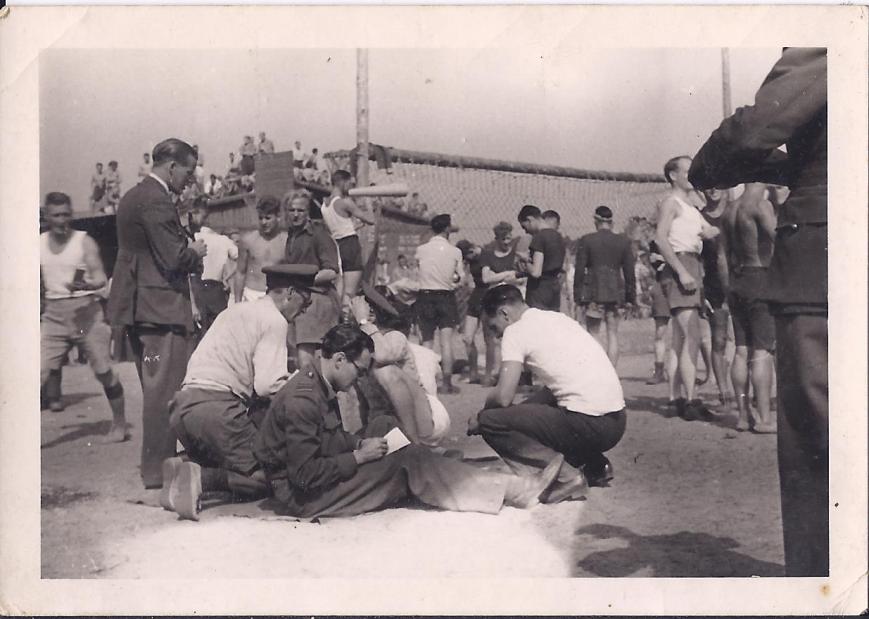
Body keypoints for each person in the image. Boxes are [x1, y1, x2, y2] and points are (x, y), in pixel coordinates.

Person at [689, 48, 828, 577]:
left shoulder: (731, 209)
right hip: (780, 268)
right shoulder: (760, 210)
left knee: (817, 441)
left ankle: (824, 583)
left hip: (787, 273)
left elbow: (752, 134)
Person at [252, 323, 566, 519]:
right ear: (339, 360)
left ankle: (432, 466)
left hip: (313, 476)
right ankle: (510, 490)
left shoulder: (318, 381)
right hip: (304, 498)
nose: (359, 379)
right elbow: (304, 476)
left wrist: (359, 442)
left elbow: (326, 439)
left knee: (384, 425)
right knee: (408, 460)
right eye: (359, 371)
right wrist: (358, 456)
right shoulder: (303, 399)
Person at [160, 265, 317, 520]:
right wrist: (303, 386)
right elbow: (268, 385)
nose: (305, 310)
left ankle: (183, 467)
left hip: (183, 407)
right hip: (217, 409)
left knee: (233, 457)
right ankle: (204, 478)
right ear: (290, 292)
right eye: (305, 300)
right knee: (270, 478)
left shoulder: (235, 311)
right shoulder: (275, 320)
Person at [107, 138, 207, 488]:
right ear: (172, 166)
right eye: (189, 171)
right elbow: (174, 258)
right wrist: (196, 249)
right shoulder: (157, 200)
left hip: (139, 307)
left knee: (155, 389)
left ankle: (156, 467)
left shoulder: (133, 195)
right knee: (164, 392)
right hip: (160, 309)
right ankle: (158, 471)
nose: (190, 180)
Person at [470, 285, 626, 502]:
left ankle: (567, 478)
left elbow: (504, 396)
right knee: (543, 410)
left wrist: (482, 414)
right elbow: (553, 391)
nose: (496, 337)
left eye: (494, 328)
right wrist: (518, 413)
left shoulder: (515, 331)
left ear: (504, 313)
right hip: (615, 422)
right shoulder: (557, 318)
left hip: (588, 423)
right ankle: (595, 465)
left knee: (491, 421)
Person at [40, 192, 128, 441]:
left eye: (67, 214)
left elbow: (100, 276)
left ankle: (120, 426)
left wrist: (85, 285)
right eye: (56, 215)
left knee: (103, 371)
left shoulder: (84, 241)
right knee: (39, 372)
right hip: (54, 315)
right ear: (47, 216)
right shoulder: (37, 243)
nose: (62, 220)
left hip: (86, 313)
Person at [655, 155, 719, 421]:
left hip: (693, 264)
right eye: (687, 171)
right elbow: (659, 238)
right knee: (692, 336)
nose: (692, 175)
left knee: (680, 339)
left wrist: (709, 232)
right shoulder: (671, 202)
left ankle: (675, 399)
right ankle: (691, 400)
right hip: (682, 265)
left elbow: (712, 229)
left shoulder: (691, 206)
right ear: (673, 175)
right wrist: (681, 272)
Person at [350, 287, 451, 447]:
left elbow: (382, 356)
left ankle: (415, 446)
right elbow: (364, 403)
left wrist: (363, 322)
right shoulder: (358, 347)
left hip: (425, 419)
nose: (349, 315)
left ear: (371, 315)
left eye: (353, 310)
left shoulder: (394, 336)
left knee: (382, 369)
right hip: (391, 422)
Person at [716, 183, 778, 434]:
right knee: (762, 352)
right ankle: (764, 419)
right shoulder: (761, 206)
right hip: (759, 277)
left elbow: (721, 256)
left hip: (736, 281)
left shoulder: (729, 209)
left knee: (741, 350)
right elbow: (780, 240)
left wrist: (727, 288)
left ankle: (743, 416)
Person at [283, 189, 341, 369]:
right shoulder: (291, 235)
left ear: (308, 212)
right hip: (300, 299)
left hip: (317, 299)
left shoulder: (318, 234)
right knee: (302, 357)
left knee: (308, 360)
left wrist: (303, 280)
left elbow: (331, 271)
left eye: (300, 210)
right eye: (291, 210)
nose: (295, 215)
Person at [573, 206, 636, 367]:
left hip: (594, 292)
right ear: (611, 222)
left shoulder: (586, 240)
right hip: (616, 292)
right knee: (612, 334)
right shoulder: (623, 241)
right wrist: (631, 298)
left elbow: (579, 270)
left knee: (593, 333)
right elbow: (630, 273)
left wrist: (577, 296)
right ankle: (612, 372)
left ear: (596, 221)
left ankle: (599, 370)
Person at [414, 213, 464, 394]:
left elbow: (418, 273)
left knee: (426, 341)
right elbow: (461, 279)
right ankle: (447, 382)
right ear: (447, 228)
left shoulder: (421, 250)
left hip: (425, 295)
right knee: (446, 342)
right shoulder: (455, 251)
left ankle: (425, 381)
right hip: (446, 296)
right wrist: (452, 282)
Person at [320, 169, 377, 313]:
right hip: (350, 245)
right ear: (342, 182)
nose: (350, 188)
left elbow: (339, 227)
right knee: (349, 292)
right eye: (349, 184)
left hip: (336, 246)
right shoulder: (345, 202)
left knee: (338, 288)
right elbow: (371, 220)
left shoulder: (324, 205)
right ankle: (344, 325)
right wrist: (371, 205)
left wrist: (356, 225)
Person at [699, 187, 735, 406]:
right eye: (707, 184)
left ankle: (748, 394)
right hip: (712, 285)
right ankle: (723, 391)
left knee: (745, 342)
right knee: (719, 339)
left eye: (718, 183)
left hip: (741, 280)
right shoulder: (698, 216)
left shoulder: (734, 211)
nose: (712, 189)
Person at [188, 197, 238, 334]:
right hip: (216, 290)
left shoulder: (193, 238)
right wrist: (228, 275)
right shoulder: (224, 240)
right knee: (219, 333)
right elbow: (241, 258)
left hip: (198, 289)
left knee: (201, 334)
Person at [234, 196, 287, 303]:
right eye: (260, 218)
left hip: (277, 295)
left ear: (278, 217)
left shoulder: (287, 241)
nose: (263, 222)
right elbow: (240, 272)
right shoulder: (248, 240)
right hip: (252, 294)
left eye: (268, 218)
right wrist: (237, 302)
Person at [517, 204, 565, 312]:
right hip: (554, 288)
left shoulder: (539, 237)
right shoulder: (558, 236)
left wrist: (524, 260)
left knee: (536, 323)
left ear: (530, 219)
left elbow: (536, 272)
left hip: (539, 290)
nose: (526, 231)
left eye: (524, 227)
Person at [645, 241, 671, 385]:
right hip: (662, 285)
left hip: (681, 286)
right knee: (660, 333)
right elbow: (654, 261)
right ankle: (659, 370)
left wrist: (664, 260)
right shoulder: (656, 243)